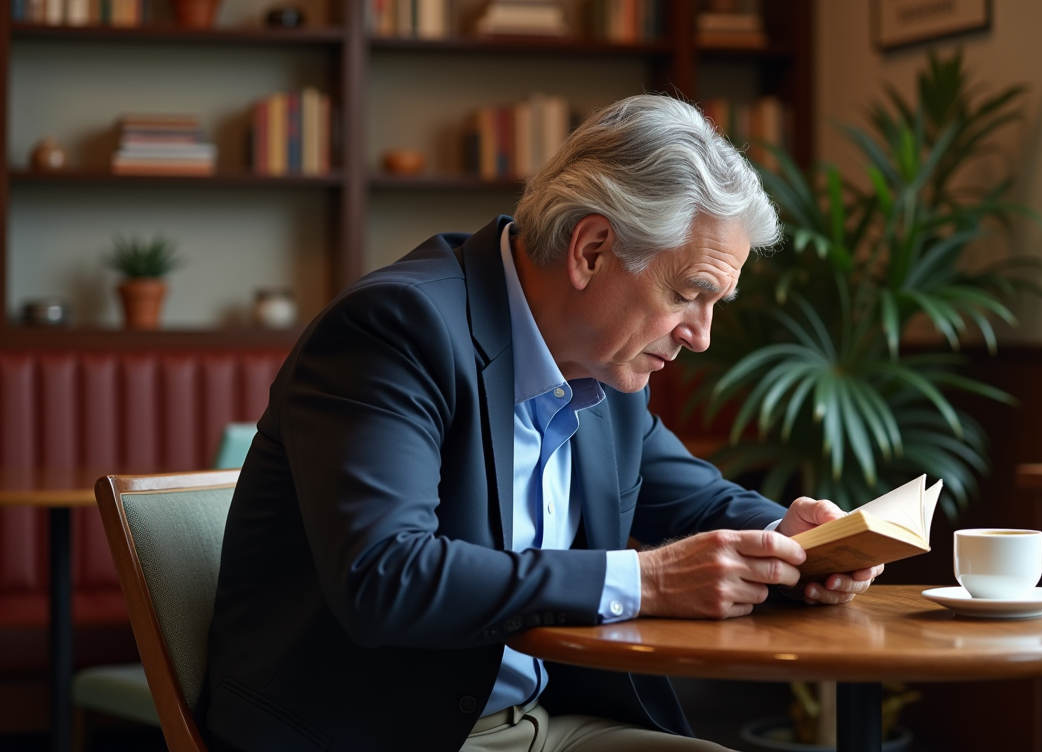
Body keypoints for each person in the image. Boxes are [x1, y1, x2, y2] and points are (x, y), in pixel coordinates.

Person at [199, 94, 883, 752]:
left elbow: (696, 498)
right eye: (688, 294)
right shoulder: (395, 331)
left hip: (547, 719)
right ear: (591, 251)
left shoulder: (604, 361)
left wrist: (798, 542)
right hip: (376, 732)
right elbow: (386, 575)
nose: (700, 335)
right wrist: (644, 581)